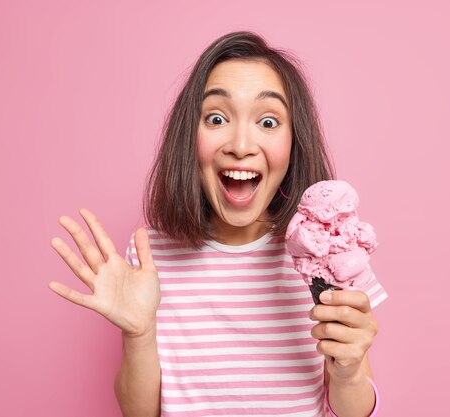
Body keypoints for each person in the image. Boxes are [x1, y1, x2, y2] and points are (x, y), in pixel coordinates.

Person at [49, 31, 388, 417]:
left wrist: (347, 375)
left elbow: (354, 411)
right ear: (189, 137)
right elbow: (139, 413)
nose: (241, 145)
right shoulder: (151, 255)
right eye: (216, 118)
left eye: (268, 121)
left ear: (295, 143)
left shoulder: (328, 253)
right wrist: (138, 333)